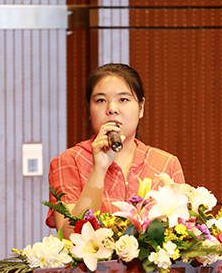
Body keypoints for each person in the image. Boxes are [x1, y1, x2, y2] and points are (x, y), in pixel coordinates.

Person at [46, 63, 185, 238]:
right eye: (100, 100)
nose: (112, 109)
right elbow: (69, 235)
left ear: (141, 108)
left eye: (123, 100)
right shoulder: (68, 162)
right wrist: (98, 169)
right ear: (89, 110)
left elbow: (183, 234)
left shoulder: (166, 164)